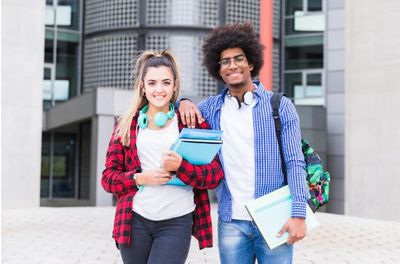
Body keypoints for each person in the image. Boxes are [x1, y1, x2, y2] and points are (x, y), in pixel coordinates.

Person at [179, 23, 308, 264]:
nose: (232, 65)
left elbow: (295, 163)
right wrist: (184, 101)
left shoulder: (279, 106)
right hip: (231, 221)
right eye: (225, 61)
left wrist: (298, 214)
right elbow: (176, 111)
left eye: (238, 59)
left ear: (251, 63)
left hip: (274, 218)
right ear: (218, 69)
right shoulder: (210, 109)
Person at [101, 49, 224, 264]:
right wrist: (140, 178)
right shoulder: (126, 125)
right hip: (134, 221)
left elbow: (215, 175)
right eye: (152, 83)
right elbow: (108, 178)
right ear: (143, 86)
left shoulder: (191, 121)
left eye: (166, 83)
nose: (159, 89)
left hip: (176, 221)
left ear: (175, 85)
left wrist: (182, 167)